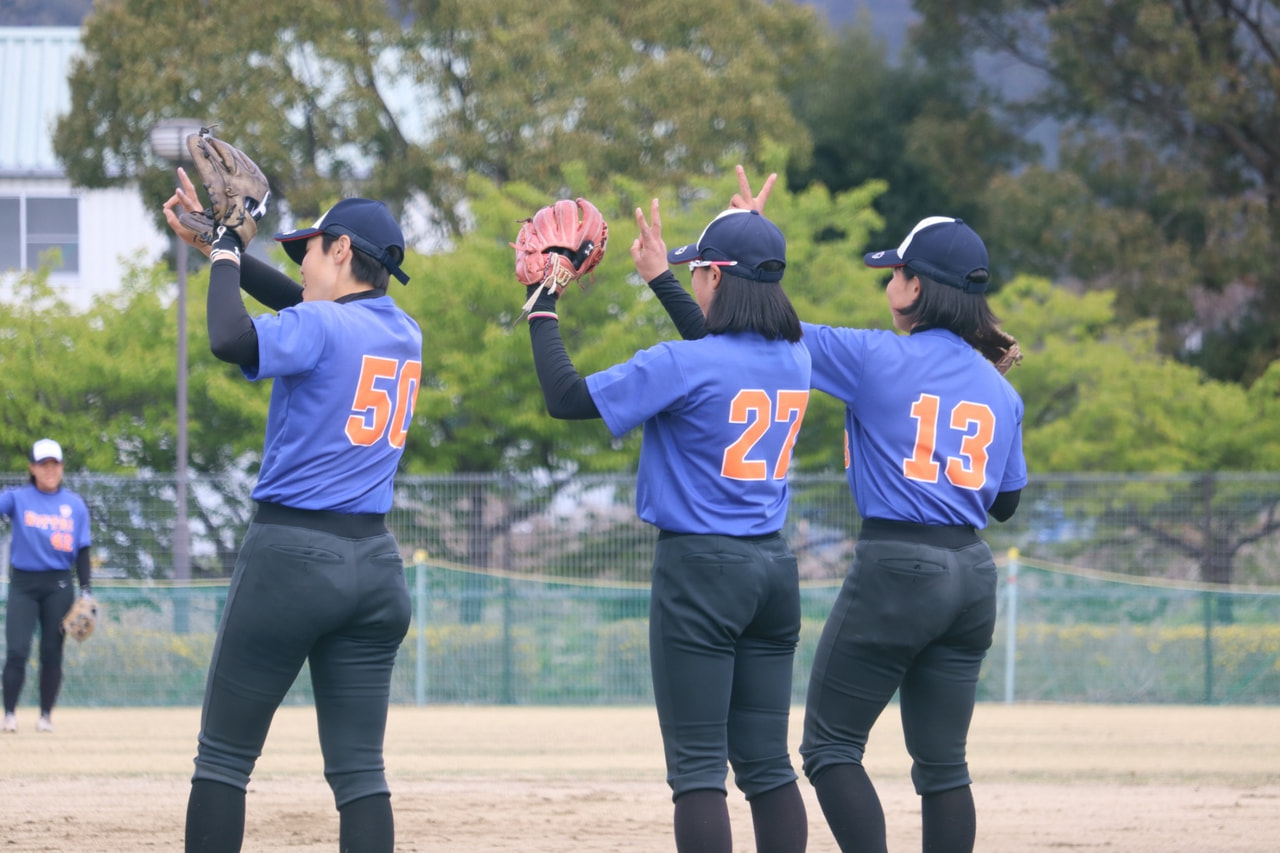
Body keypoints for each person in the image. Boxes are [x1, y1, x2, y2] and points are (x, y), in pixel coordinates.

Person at [659, 169, 1026, 853]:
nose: (888, 283)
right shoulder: (999, 387)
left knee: (829, 746)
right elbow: (1005, 502)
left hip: (898, 564)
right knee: (944, 764)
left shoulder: (873, 356)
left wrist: (747, 252)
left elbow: (755, 341)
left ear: (917, 286)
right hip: (972, 575)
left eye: (895, 273)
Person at [523, 199, 811, 853]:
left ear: (715, 276)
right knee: (767, 765)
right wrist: (662, 278)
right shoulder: (795, 359)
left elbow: (565, 398)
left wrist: (543, 301)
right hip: (773, 570)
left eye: (697, 269)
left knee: (699, 771)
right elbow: (717, 345)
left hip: (701, 572)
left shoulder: (683, 365)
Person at [163, 167, 423, 853]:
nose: (300, 263)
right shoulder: (405, 331)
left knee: (223, 758)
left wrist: (225, 248)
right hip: (375, 567)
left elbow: (230, 338)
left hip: (293, 558)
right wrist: (220, 250)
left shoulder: (323, 327)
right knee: (361, 772)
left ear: (341, 250)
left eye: (309, 248)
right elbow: (304, 302)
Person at [1, 438, 94, 734]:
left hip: (59, 583)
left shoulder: (74, 505)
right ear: (32, 468)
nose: (50, 469)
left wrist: (86, 590)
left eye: (55, 463)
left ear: (62, 467)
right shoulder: (17, 498)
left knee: (52, 652)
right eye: (43, 464)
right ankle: (10, 715)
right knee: (17, 650)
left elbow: (82, 551)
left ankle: (45, 716)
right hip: (24, 583)